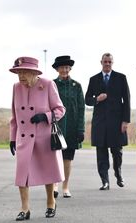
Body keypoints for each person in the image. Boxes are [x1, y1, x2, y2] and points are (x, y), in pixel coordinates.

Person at [8, 56, 66, 220]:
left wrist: (45, 116)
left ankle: (50, 203)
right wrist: (13, 137)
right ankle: (24, 208)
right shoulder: (16, 87)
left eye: (24, 72)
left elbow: (60, 109)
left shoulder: (47, 84)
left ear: (34, 72)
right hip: (24, 138)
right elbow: (14, 116)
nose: (21, 76)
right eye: (19, 73)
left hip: (44, 137)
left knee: (48, 171)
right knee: (22, 174)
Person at [85, 53, 130, 190]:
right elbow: (87, 99)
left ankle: (118, 173)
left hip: (117, 122)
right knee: (101, 152)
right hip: (100, 122)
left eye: (109, 61)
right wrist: (97, 99)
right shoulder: (94, 79)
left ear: (112, 62)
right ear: (101, 62)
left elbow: (127, 100)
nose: (107, 64)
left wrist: (125, 121)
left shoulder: (121, 78)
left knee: (117, 152)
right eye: (105, 61)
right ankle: (105, 180)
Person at [52, 56, 85, 198]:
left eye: (67, 67)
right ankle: (55, 185)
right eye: (61, 67)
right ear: (57, 69)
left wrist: (81, 129)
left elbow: (82, 108)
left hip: (72, 128)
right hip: (55, 127)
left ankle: (65, 186)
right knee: (54, 157)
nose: (64, 70)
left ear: (70, 69)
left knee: (67, 159)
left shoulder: (76, 86)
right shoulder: (51, 84)